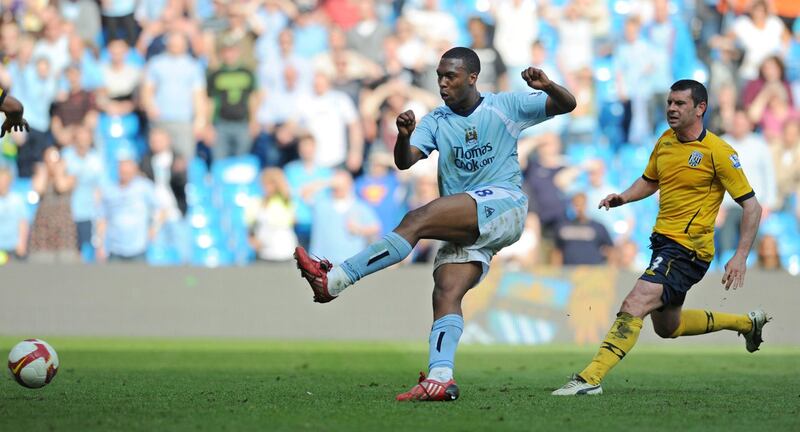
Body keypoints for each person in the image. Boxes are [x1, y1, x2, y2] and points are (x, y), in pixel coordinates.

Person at [294, 47, 576, 401]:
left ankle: (336, 278)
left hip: (504, 205)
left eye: (450, 76)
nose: (442, 83)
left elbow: (568, 105)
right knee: (446, 291)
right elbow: (405, 162)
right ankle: (441, 377)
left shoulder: (505, 105)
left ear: (472, 77)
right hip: (469, 221)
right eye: (439, 76)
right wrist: (403, 135)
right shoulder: (436, 120)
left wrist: (548, 85)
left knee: (418, 218)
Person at [552, 80, 770, 396]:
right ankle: (747, 324)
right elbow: (650, 180)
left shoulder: (719, 152)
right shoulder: (666, 141)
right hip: (663, 244)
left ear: (700, 108)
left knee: (635, 302)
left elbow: (752, 206)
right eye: (669, 102)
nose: (671, 108)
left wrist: (740, 256)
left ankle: (589, 379)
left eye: (680, 103)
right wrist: (623, 198)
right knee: (669, 327)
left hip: (689, 249)